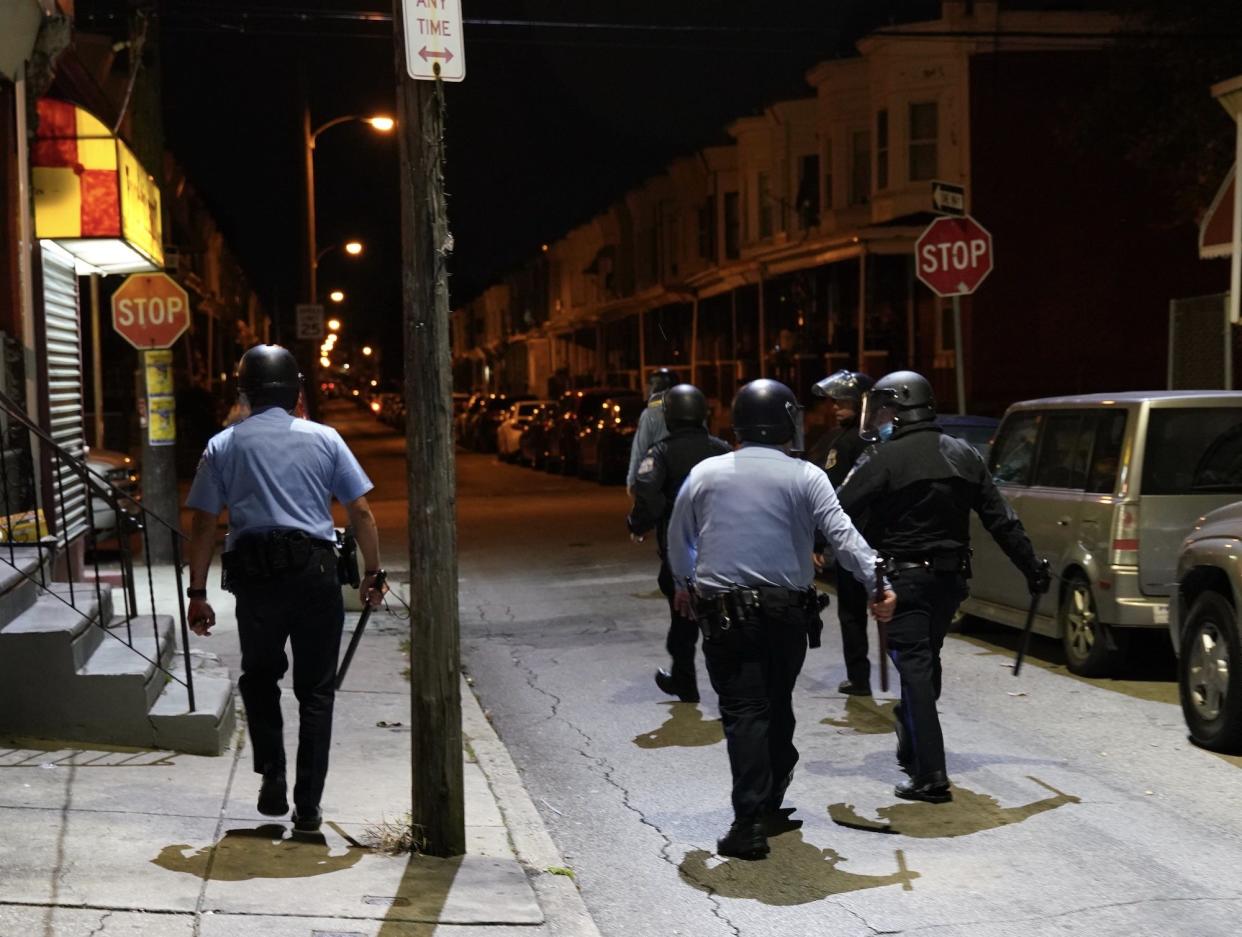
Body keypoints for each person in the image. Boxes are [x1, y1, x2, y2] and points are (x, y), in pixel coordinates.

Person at [666, 378, 896, 860]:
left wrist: (686, 585)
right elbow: (843, 536)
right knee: (775, 704)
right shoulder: (806, 475)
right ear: (787, 421)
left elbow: (678, 539)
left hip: (727, 617)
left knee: (746, 712)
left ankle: (748, 822)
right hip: (788, 616)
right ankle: (770, 797)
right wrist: (879, 581)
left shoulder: (707, 474)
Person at [184, 344, 386, 833]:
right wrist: (372, 573)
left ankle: (271, 773)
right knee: (316, 692)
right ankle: (309, 807)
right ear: (296, 390)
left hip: (255, 580)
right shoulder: (326, 439)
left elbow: (204, 523)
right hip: (315, 574)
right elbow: (360, 512)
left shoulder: (223, 445)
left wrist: (197, 592)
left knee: (259, 678)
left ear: (246, 394)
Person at [838, 370, 1049, 805]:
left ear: (898, 409)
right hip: (950, 584)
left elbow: (840, 510)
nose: (880, 417)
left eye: (884, 408)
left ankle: (931, 775)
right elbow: (1001, 518)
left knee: (914, 667)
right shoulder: (963, 455)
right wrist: (1032, 568)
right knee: (924, 662)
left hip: (904, 580)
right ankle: (914, 734)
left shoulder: (885, 459)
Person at [626, 384, 730, 703]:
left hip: (680, 549)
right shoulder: (722, 449)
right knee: (728, 620)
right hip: (722, 547)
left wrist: (639, 523)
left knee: (683, 621)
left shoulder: (660, 452)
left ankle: (685, 682)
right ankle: (731, 685)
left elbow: (647, 493)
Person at [806, 369, 874, 696]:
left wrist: (819, 540)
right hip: (884, 537)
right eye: (834, 401)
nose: (835, 406)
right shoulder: (882, 438)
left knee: (852, 611)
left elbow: (828, 496)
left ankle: (860, 678)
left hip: (851, 537)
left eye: (843, 401)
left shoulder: (843, 441)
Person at [626, 367, 679, 491]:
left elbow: (639, 450)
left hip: (658, 479)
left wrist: (632, 480)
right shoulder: (690, 409)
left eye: (648, 385)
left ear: (655, 386)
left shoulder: (650, 413)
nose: (645, 389)